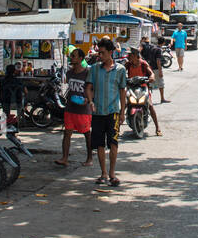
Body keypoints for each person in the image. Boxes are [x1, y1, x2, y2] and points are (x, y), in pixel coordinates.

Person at [89, 38, 128, 187]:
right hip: (98, 112)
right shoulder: (94, 69)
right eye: (99, 52)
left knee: (113, 143)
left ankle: (112, 173)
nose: (100, 55)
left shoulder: (120, 70)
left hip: (113, 112)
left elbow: (122, 91)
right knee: (99, 144)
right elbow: (89, 87)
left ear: (111, 53)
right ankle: (103, 173)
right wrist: (90, 100)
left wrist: (123, 111)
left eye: (103, 53)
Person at [57, 48, 93, 167]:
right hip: (70, 108)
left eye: (74, 56)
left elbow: (92, 89)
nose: (71, 58)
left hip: (83, 110)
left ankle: (89, 157)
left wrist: (88, 100)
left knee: (87, 134)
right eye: (71, 56)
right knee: (67, 133)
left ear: (81, 58)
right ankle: (64, 158)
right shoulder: (69, 73)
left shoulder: (87, 73)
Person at [125, 47, 162, 135]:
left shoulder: (143, 64)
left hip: (143, 88)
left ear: (135, 55)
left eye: (129, 55)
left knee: (150, 105)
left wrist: (152, 77)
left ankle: (157, 127)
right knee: (124, 105)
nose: (128, 56)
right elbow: (122, 72)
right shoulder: (128, 64)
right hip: (131, 88)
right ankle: (117, 128)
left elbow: (151, 73)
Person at [140, 36, 169, 104]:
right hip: (156, 68)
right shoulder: (159, 50)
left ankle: (148, 99)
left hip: (151, 67)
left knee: (150, 84)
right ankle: (162, 98)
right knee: (161, 84)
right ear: (163, 43)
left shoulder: (153, 47)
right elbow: (158, 61)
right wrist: (160, 71)